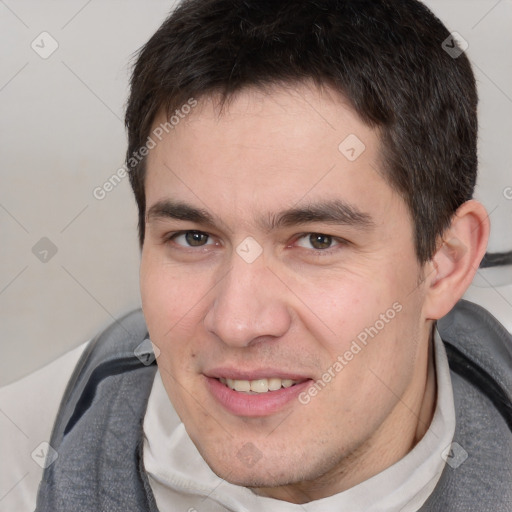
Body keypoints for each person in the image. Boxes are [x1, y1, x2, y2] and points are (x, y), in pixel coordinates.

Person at [1, 0, 511, 510]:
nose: (237, 322)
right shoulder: (24, 461)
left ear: (446, 263)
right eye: (194, 237)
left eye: (317, 241)